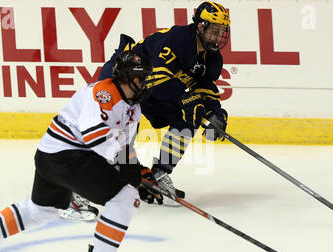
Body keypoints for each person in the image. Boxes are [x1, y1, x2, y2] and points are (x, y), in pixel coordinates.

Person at [0, 51, 163, 252]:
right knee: (124, 198)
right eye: (140, 77)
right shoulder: (102, 94)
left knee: (41, 209)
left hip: (52, 154)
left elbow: (124, 147)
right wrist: (129, 177)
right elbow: (95, 138)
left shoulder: (134, 108)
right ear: (125, 77)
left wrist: (139, 173)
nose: (144, 83)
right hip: (67, 155)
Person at [65, 1, 230, 212]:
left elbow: (206, 89)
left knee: (189, 117)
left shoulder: (213, 59)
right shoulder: (178, 40)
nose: (217, 37)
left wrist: (216, 113)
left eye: (221, 32)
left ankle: (160, 175)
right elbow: (156, 82)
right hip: (123, 80)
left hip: (151, 90)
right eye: (214, 31)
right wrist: (186, 100)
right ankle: (76, 193)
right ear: (200, 26)